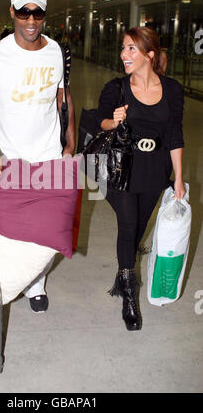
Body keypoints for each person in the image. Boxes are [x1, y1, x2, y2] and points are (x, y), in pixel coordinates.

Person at [0, 0, 75, 313]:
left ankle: (36, 285)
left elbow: (64, 98)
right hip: (12, 159)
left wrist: (70, 143)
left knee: (48, 229)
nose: (31, 21)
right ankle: (14, 279)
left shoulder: (56, 50)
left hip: (49, 156)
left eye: (38, 13)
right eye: (23, 12)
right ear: (12, 12)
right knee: (15, 229)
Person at [97, 27, 185, 331]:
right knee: (128, 225)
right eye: (123, 49)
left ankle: (123, 271)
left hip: (155, 169)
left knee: (137, 231)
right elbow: (100, 121)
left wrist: (179, 179)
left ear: (150, 54)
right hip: (122, 169)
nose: (124, 55)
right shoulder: (116, 88)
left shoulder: (172, 90)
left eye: (131, 49)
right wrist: (114, 120)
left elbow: (174, 134)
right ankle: (129, 294)